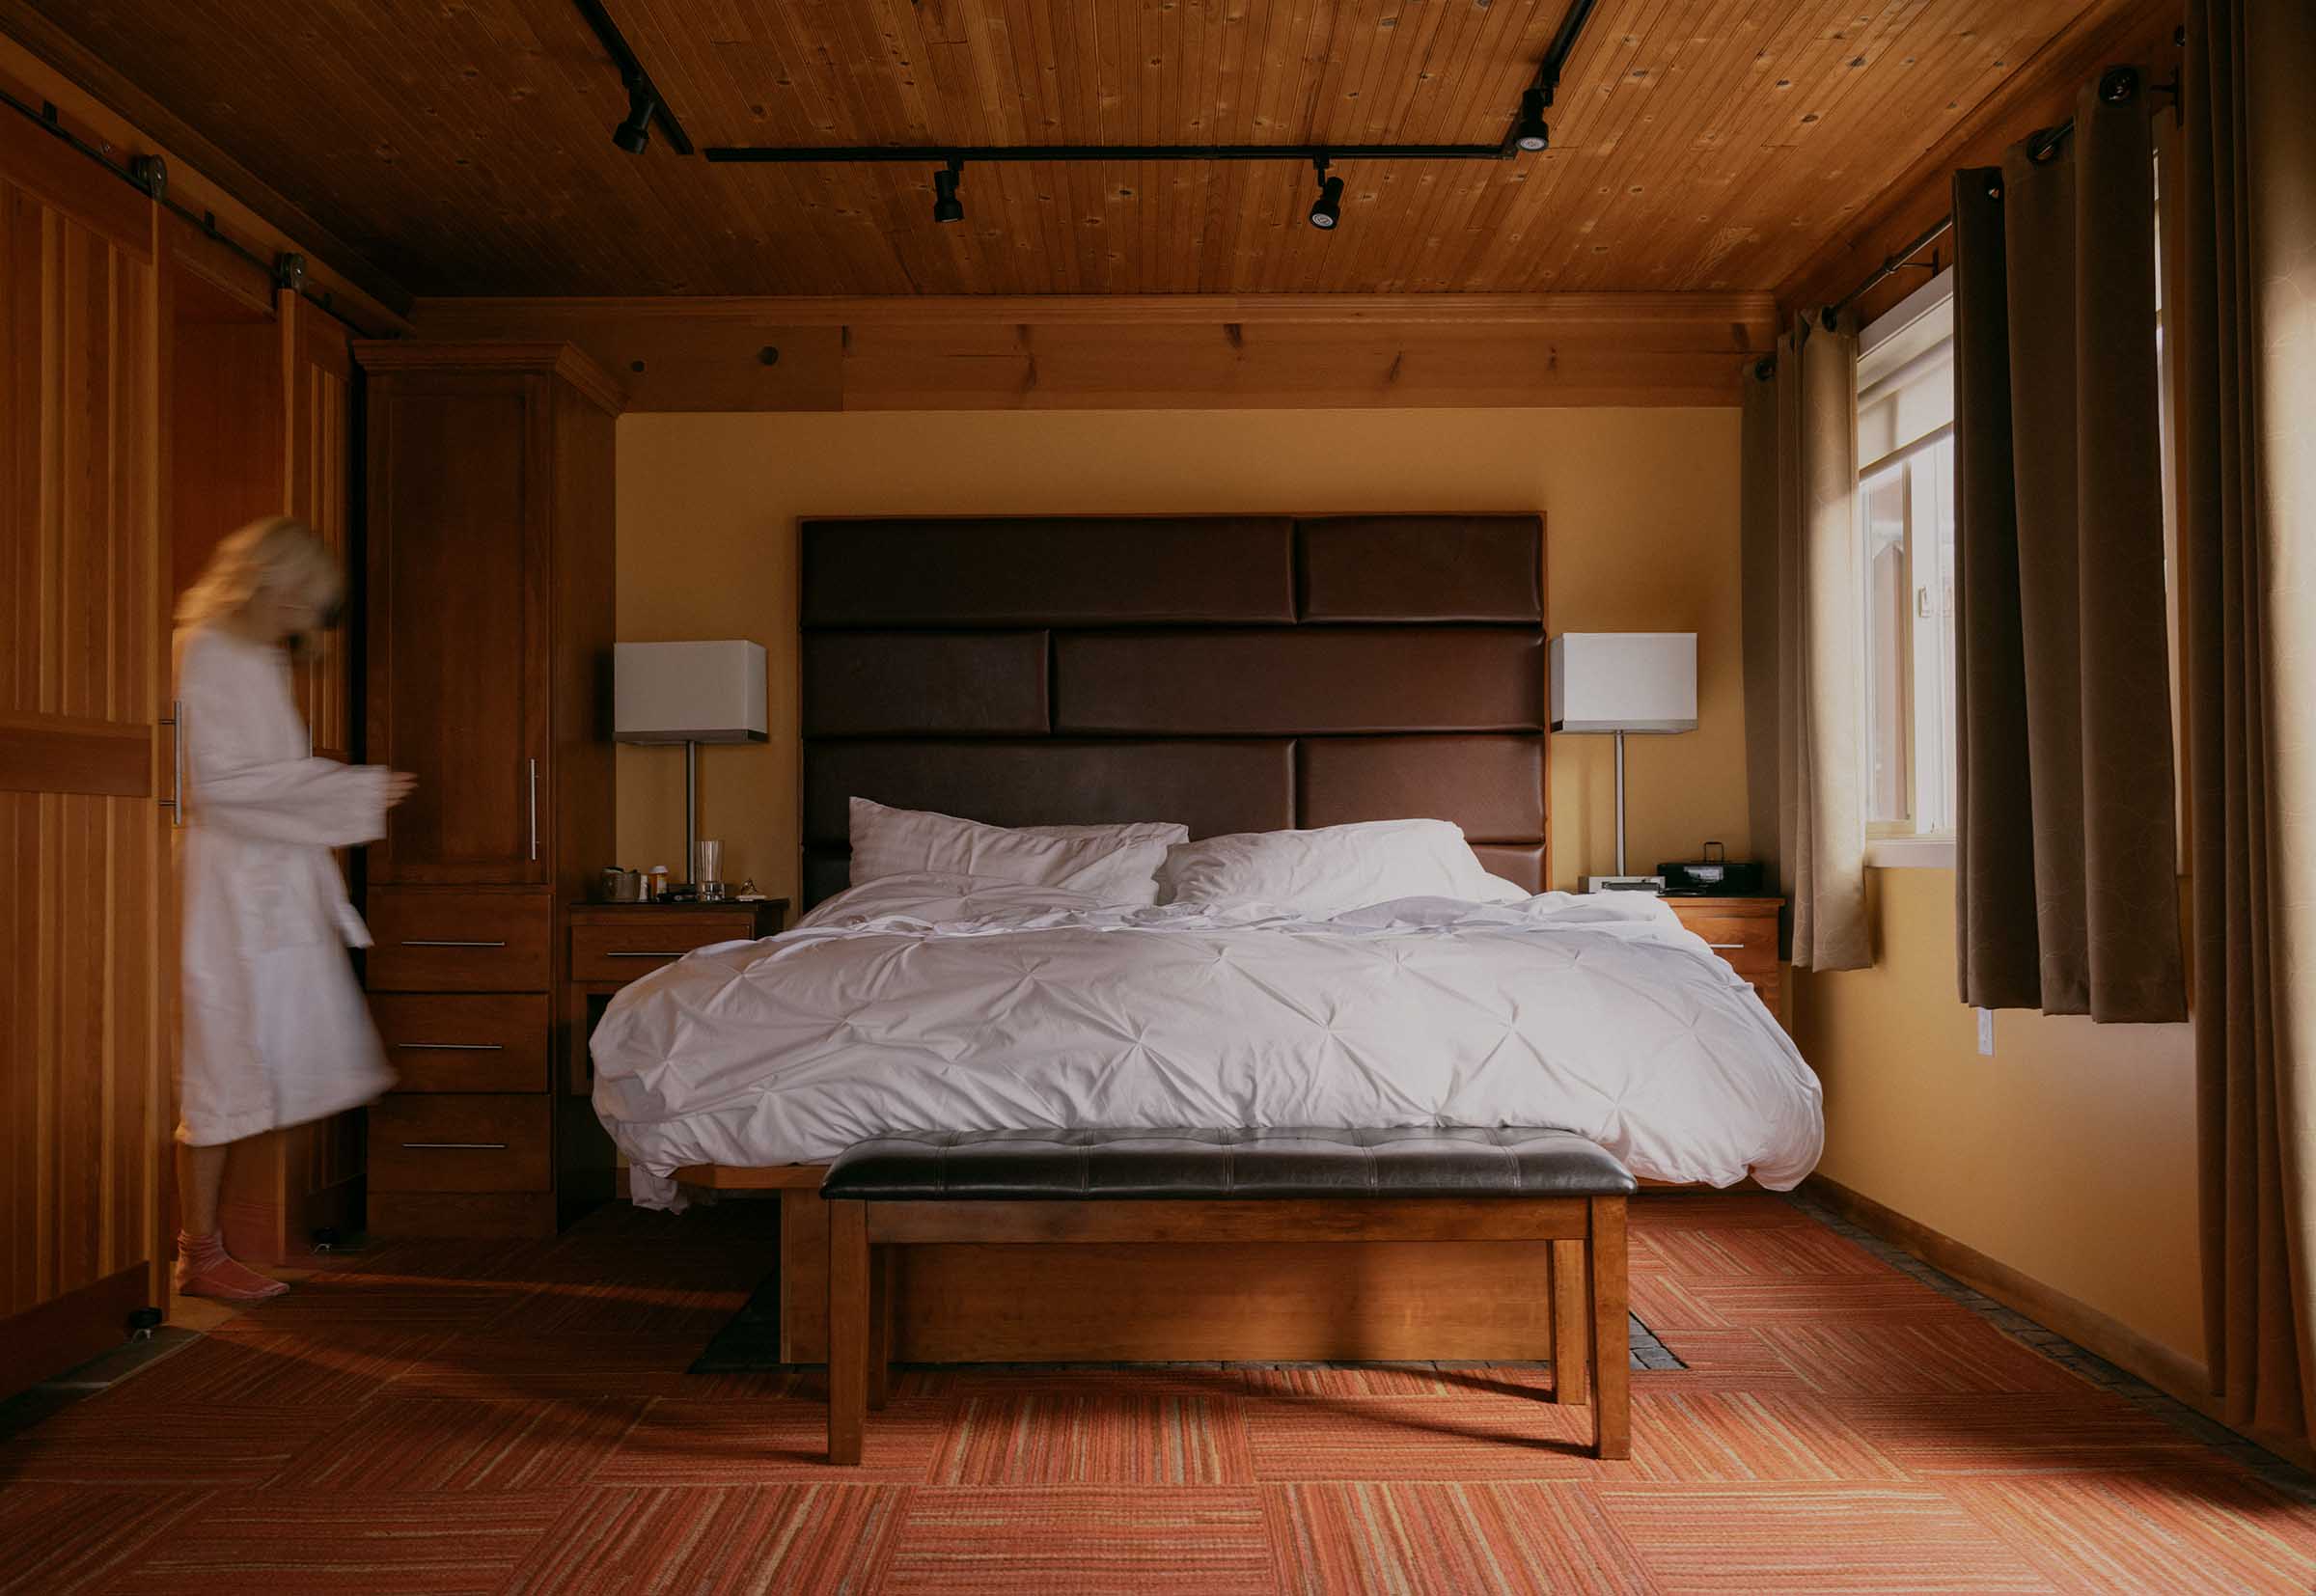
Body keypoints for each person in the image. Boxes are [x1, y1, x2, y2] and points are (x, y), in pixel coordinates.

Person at [173, 517, 415, 1300]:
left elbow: (264, 775)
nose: (303, 617)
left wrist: (341, 790)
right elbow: (221, 785)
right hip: (227, 887)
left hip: (272, 881)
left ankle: (238, 1239)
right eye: (300, 598)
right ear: (267, 581)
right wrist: (352, 791)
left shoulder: (255, 656)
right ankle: (199, 1253)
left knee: (284, 1054)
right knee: (223, 1059)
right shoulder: (205, 650)